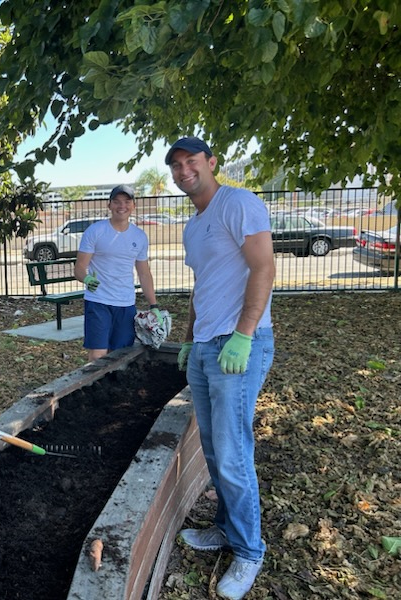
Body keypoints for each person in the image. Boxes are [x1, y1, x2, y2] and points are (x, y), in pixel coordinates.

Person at [167, 137, 275, 600]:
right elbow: (202, 285)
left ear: (212, 163)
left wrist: (245, 333)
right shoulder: (194, 226)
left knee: (233, 454)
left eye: (191, 161)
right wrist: (190, 339)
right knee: (214, 450)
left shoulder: (239, 203)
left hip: (239, 346)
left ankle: (249, 551)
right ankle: (226, 529)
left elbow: (264, 268)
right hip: (208, 346)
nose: (183, 170)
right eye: (176, 165)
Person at [73, 184, 162, 361]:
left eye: (127, 201)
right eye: (117, 202)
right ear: (109, 205)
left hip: (126, 304)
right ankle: (95, 388)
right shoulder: (95, 231)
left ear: (133, 205)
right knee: (98, 355)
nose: (122, 206)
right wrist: (87, 278)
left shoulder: (139, 236)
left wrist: (154, 305)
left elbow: (144, 273)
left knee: (121, 356)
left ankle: (112, 388)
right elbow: (79, 268)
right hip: (98, 302)